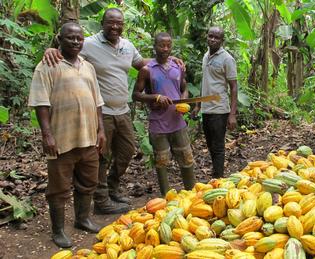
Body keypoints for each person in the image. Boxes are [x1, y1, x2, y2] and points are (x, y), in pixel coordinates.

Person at [43, 8, 184, 214]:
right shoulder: (88, 44)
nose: (115, 26)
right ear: (102, 23)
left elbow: (141, 64)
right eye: (110, 22)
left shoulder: (127, 46)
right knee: (102, 155)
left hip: (122, 109)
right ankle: (101, 200)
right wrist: (51, 50)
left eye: (119, 23)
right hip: (101, 111)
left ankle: (112, 187)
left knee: (127, 151)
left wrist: (170, 60)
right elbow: (67, 53)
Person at [28, 23, 105, 248]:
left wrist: (101, 130)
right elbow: (41, 103)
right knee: (59, 188)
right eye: (70, 38)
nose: (75, 42)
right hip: (61, 139)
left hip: (88, 138)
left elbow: (98, 102)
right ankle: (58, 230)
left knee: (88, 182)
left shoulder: (88, 66)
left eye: (79, 38)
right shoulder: (47, 65)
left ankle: (82, 219)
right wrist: (47, 135)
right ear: (59, 39)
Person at [132, 32, 196, 196]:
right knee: (162, 162)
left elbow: (184, 88)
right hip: (158, 124)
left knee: (186, 158)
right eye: (162, 45)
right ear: (155, 47)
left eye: (168, 45)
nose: (165, 48)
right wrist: (156, 97)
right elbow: (136, 95)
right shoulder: (147, 70)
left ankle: (192, 193)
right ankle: (166, 198)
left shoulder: (177, 67)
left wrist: (183, 100)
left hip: (177, 122)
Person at [191, 26, 238, 179]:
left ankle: (218, 178)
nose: (212, 39)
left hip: (219, 109)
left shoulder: (227, 59)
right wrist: (197, 105)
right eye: (210, 36)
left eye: (216, 37)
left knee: (218, 146)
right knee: (210, 144)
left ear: (222, 40)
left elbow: (234, 87)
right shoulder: (206, 56)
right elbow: (205, 82)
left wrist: (232, 115)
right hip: (206, 108)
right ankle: (216, 173)